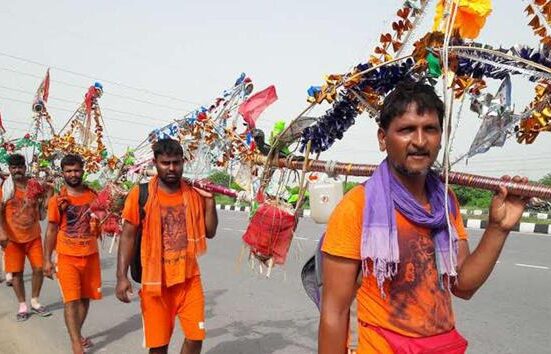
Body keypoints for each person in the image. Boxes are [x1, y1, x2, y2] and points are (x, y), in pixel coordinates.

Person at [318, 81, 529, 354]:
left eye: (430, 129)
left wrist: (499, 228)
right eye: (406, 130)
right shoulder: (357, 206)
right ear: (383, 138)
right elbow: (334, 311)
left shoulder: (445, 201)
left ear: (441, 136)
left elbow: (462, 285)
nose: (419, 141)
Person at [116, 138, 218, 354]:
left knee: (195, 337)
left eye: (176, 162)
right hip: (156, 283)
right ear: (155, 163)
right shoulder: (140, 194)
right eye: (165, 163)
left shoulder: (193, 193)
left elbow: (210, 232)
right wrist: (121, 277)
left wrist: (210, 202)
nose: (172, 168)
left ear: (183, 162)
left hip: (189, 279)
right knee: (159, 346)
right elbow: (127, 236)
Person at [44, 154, 101, 354]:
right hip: (67, 257)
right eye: (68, 171)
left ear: (83, 170)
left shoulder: (94, 196)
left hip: (91, 256)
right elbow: (51, 230)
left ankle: (78, 333)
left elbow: (100, 223)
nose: (73, 174)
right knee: (71, 300)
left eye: (76, 170)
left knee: (85, 298)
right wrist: (47, 261)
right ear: (63, 173)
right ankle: (76, 343)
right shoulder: (57, 200)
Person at [0, 153, 52, 321]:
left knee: (39, 268)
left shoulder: (34, 185)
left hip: (33, 236)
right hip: (12, 239)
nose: (17, 170)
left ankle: (35, 301)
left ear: (25, 167)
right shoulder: (5, 189)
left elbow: (48, 197)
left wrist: (49, 192)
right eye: (14, 168)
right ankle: (22, 305)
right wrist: (1, 233)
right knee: (16, 273)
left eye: (20, 167)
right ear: (9, 169)